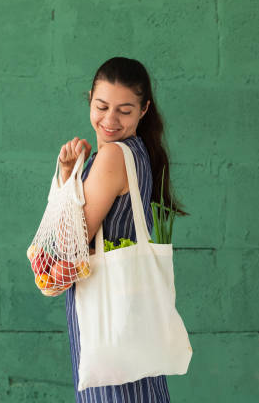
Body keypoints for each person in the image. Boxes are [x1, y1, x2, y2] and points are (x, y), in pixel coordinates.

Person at [57, 56, 186, 403]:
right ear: (90, 100)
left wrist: (66, 179)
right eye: (101, 106)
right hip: (129, 323)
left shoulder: (113, 157)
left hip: (108, 322)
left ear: (144, 110)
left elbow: (70, 244)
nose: (109, 120)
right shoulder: (139, 152)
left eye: (124, 111)